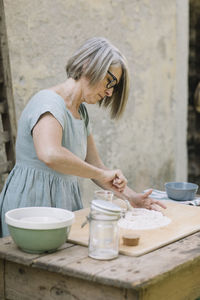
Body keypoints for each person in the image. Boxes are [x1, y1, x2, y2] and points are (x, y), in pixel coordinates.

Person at [0, 37, 166, 237]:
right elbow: (50, 154)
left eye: (114, 87)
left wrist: (131, 197)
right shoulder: (48, 102)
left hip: (62, 208)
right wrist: (99, 173)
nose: (109, 91)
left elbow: (97, 166)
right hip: (32, 208)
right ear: (89, 65)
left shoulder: (81, 113)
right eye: (109, 81)